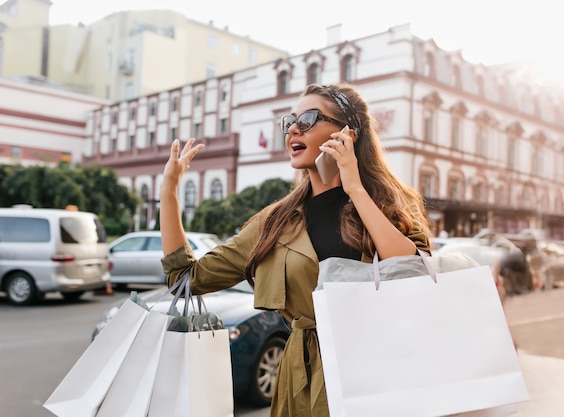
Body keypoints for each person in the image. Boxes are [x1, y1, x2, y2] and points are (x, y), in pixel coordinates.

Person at [159, 83, 431, 417]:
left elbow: (413, 273)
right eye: (289, 120)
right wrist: (169, 192)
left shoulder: (390, 207)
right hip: (302, 386)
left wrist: (355, 187)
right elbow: (184, 278)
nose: (292, 129)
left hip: (381, 372)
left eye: (307, 119)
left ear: (348, 132)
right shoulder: (274, 222)